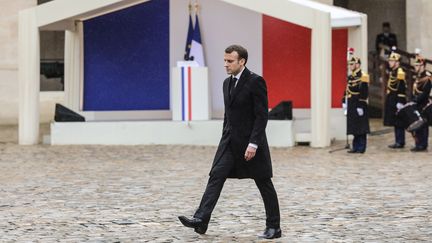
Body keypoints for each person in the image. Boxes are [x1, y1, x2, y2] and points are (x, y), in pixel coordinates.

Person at [178, 45, 281, 239]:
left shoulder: (255, 81)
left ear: (242, 61)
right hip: (229, 143)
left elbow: (261, 117)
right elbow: (229, 116)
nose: (225, 64)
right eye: (225, 60)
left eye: (230, 61)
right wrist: (224, 136)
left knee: (263, 182)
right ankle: (201, 219)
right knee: (216, 175)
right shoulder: (227, 83)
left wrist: (253, 144)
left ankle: (274, 227)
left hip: (251, 143)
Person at [342, 57, 370, 153]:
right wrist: (344, 102)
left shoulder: (363, 76)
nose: (350, 66)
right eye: (349, 64)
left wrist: (360, 105)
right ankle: (355, 146)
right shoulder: (350, 77)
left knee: (361, 127)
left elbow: (364, 91)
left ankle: (361, 147)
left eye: (352, 64)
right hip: (351, 104)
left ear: (358, 65)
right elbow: (347, 90)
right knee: (354, 126)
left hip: (359, 103)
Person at [384, 51, 407, 149]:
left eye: (392, 61)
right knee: (395, 121)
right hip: (392, 98)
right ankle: (398, 140)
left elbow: (401, 87)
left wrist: (400, 101)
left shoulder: (400, 72)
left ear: (397, 62)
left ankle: (400, 141)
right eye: (389, 60)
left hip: (397, 98)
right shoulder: (393, 72)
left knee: (399, 121)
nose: (390, 62)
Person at [410, 54, 431, 151]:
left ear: (422, 65)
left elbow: (425, 93)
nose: (415, 67)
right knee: (417, 124)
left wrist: (416, 100)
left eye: (417, 65)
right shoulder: (418, 76)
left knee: (423, 125)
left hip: (423, 104)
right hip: (416, 103)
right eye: (415, 65)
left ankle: (423, 144)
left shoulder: (427, 77)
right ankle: (418, 143)